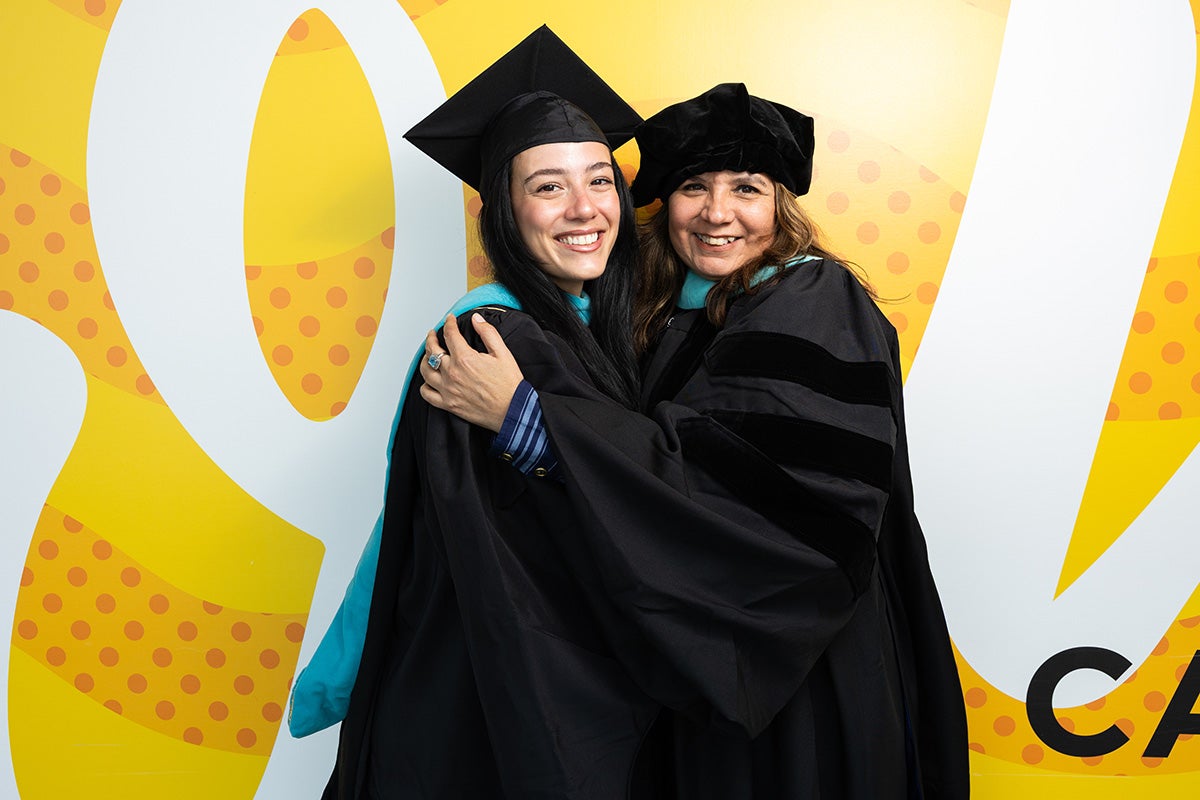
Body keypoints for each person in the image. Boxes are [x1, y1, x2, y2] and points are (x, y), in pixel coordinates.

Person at [421, 83, 971, 798]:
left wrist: (530, 420)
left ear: (781, 203)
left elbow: (737, 497)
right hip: (710, 660)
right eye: (693, 187)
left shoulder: (810, 302)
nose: (718, 213)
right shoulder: (656, 311)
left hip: (800, 661)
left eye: (747, 187)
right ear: (660, 204)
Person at [288, 27, 670, 798]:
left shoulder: (588, 327)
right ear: (506, 207)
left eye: (600, 180)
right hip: (490, 701)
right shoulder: (493, 337)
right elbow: (518, 555)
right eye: (549, 186)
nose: (585, 208)